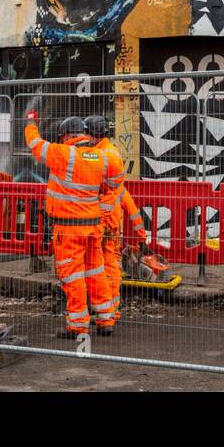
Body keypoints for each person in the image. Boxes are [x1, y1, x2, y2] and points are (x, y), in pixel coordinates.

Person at [25, 112, 119, 338]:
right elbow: (114, 182)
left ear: (66, 136)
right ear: (84, 134)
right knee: (96, 270)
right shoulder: (101, 156)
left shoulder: (63, 153)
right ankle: (106, 319)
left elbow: (35, 144)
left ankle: (78, 325)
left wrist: (30, 122)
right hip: (93, 226)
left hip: (68, 228)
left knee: (72, 275)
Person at [85, 115, 140, 323]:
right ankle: (108, 308)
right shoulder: (108, 151)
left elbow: (100, 188)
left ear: (94, 134)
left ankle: (108, 309)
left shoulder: (102, 154)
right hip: (108, 219)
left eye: (87, 133)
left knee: (105, 265)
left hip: (104, 220)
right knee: (108, 264)